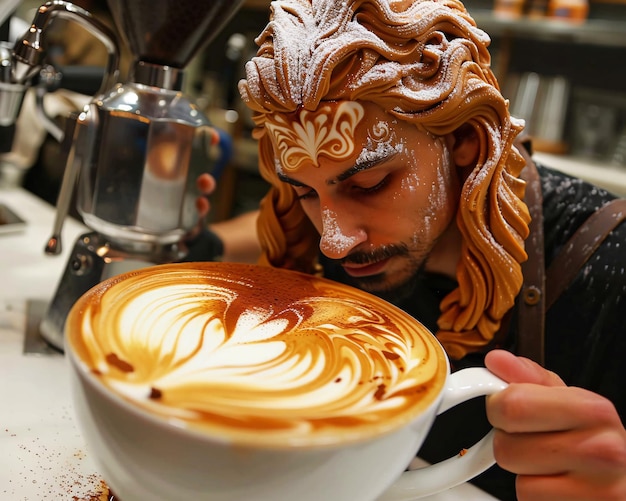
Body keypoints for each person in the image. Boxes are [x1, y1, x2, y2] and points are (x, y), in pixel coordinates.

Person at [194, 0, 626, 499]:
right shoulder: (343, 229)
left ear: (463, 138)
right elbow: (287, 225)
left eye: (371, 185)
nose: (334, 241)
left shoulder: (610, 272)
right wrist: (207, 243)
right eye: (308, 193)